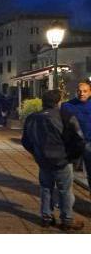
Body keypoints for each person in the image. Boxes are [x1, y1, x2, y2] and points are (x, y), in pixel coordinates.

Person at [22, 89, 85, 231]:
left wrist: (37, 154)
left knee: (46, 188)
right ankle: (67, 219)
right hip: (62, 160)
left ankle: (46, 217)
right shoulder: (65, 116)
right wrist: (72, 157)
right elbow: (79, 139)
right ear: (58, 101)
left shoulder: (32, 117)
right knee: (65, 191)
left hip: (43, 161)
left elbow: (26, 141)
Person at [61, 81, 91, 192]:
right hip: (73, 144)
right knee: (65, 174)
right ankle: (64, 200)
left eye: (85, 91)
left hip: (89, 143)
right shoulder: (67, 106)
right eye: (79, 91)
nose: (81, 93)